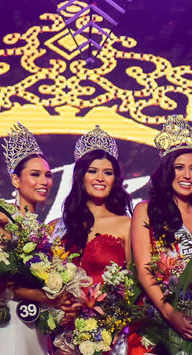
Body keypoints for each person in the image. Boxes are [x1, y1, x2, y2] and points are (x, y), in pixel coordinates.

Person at [131, 115, 192, 353]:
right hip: (154, 323)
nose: (187, 175)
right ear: (168, 172)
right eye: (179, 167)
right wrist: (170, 313)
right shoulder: (145, 210)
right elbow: (145, 270)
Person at [50, 126, 132, 349]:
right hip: (63, 333)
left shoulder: (126, 224)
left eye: (108, 172)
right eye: (93, 171)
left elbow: (136, 284)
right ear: (80, 176)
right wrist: (56, 308)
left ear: (115, 179)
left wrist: (111, 319)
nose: (100, 178)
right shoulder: (56, 227)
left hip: (109, 335)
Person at [0, 123, 53, 354]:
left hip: (36, 320)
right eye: (35, 174)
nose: (44, 181)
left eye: (47, 175)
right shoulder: (4, 217)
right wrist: (42, 295)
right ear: (16, 180)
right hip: (10, 319)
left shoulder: (40, 225)